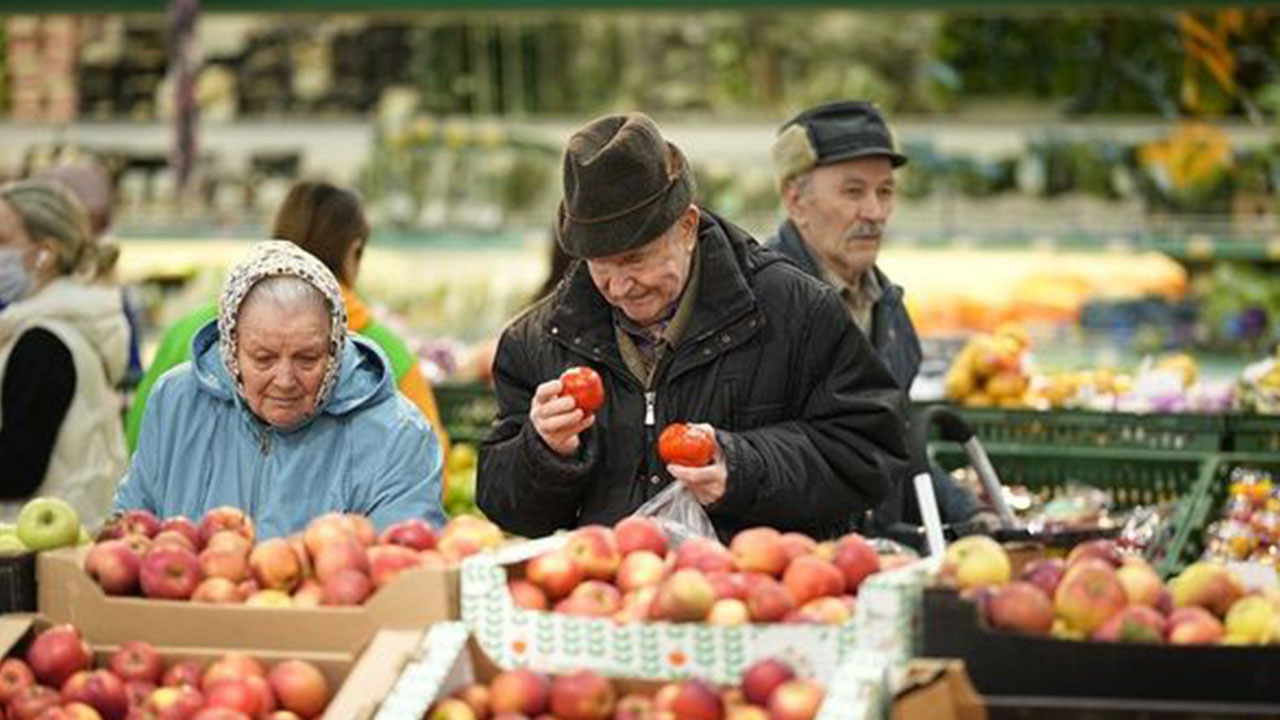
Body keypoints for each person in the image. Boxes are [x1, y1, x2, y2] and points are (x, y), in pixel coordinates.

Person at [477, 112, 908, 541]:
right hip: (611, 596)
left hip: (757, 595)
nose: (620, 285)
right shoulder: (539, 341)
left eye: (635, 259)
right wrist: (543, 450)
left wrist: (741, 467)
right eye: (600, 266)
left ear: (686, 227)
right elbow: (506, 508)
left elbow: (869, 454)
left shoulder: (797, 310)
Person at [114, 241, 445, 539]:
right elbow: (130, 528)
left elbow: (403, 567)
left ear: (335, 347)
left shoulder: (399, 435)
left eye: (307, 358)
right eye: (263, 359)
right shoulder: (177, 403)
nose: (285, 380)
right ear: (231, 348)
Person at [124, 180, 451, 476]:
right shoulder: (383, 350)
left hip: (188, 535)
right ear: (353, 253)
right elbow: (431, 468)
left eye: (307, 358)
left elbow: (139, 439)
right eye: (263, 358)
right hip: (334, 539)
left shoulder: (192, 330)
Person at [765, 100, 989, 529]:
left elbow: (892, 448)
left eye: (885, 191)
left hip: (871, 564)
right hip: (795, 567)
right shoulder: (761, 308)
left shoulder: (888, 309)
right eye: (853, 191)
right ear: (796, 200)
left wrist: (970, 514)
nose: (874, 212)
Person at [0, 179, 129, 527]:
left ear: (46, 253)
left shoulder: (42, 342)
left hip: (37, 542)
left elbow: (18, 468)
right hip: (72, 529)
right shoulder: (73, 326)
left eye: (3, 241)